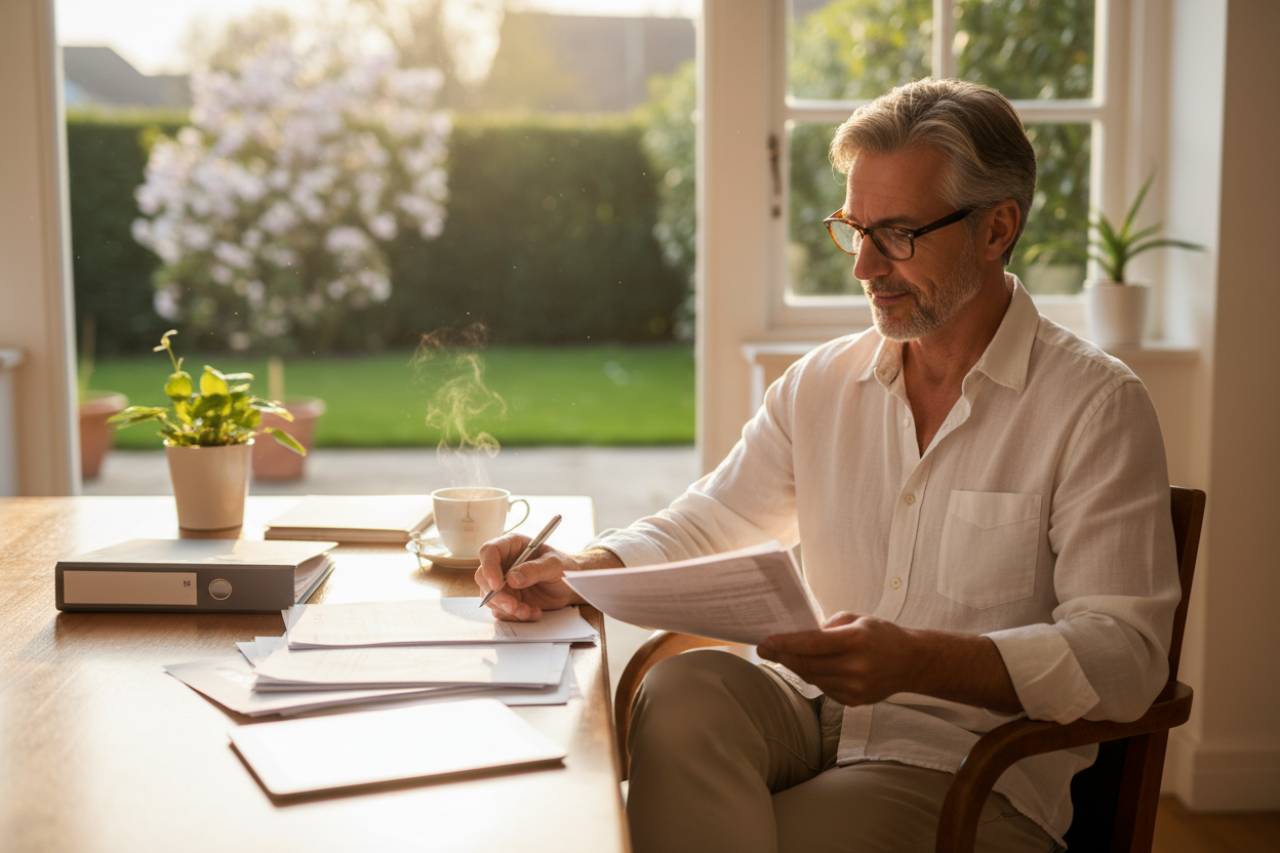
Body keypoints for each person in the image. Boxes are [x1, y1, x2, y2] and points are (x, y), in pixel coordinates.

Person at [474, 78, 1179, 853]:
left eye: (899, 235)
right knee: (680, 691)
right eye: (855, 228)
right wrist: (584, 565)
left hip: (968, 770)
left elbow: (1126, 655)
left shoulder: (1096, 406)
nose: (864, 267)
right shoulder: (821, 384)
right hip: (814, 713)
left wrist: (921, 661)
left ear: (997, 229)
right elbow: (715, 518)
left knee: (759, 833)